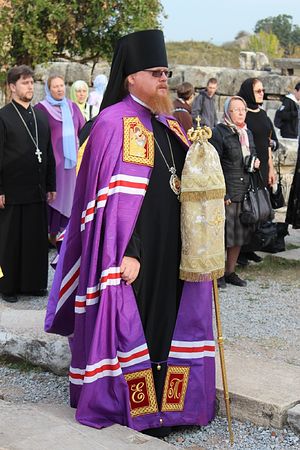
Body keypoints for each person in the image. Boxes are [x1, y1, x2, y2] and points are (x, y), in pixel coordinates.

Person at [45, 29, 215, 436]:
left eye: (166, 72)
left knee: (172, 323)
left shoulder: (171, 125)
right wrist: (129, 251)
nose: (163, 79)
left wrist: (203, 155)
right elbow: (108, 206)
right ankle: (138, 409)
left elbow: (187, 186)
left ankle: (174, 407)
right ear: (131, 78)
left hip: (173, 249)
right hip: (131, 256)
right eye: (156, 72)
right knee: (140, 324)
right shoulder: (111, 123)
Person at [0, 65, 56, 303]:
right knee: (9, 241)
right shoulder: (3, 117)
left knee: (34, 240)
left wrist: (51, 184)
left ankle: (33, 284)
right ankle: (7, 286)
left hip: (36, 189)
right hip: (10, 191)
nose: (30, 86)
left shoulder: (40, 116)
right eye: (24, 83)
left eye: (32, 82)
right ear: (12, 87)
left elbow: (48, 151)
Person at [210, 96, 259, 287]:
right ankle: (218, 273)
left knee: (238, 235)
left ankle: (230, 272)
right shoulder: (219, 132)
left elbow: (251, 153)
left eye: (243, 109)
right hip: (227, 191)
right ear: (227, 112)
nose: (240, 113)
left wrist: (255, 161)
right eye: (236, 109)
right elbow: (214, 164)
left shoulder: (247, 132)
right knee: (222, 235)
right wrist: (223, 192)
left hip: (244, 190)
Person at [35, 75, 85, 246]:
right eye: (55, 86)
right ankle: (50, 235)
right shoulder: (41, 109)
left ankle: (65, 235)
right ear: (49, 89)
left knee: (70, 198)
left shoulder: (72, 107)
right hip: (51, 165)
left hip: (70, 166)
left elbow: (84, 131)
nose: (59, 89)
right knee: (52, 197)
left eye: (62, 85)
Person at [237, 77, 278, 266]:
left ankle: (252, 247)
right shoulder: (242, 113)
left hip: (262, 167)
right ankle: (240, 251)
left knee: (259, 209)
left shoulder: (262, 114)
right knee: (246, 209)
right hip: (247, 167)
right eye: (259, 91)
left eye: (263, 90)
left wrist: (270, 168)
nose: (263, 93)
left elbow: (269, 142)